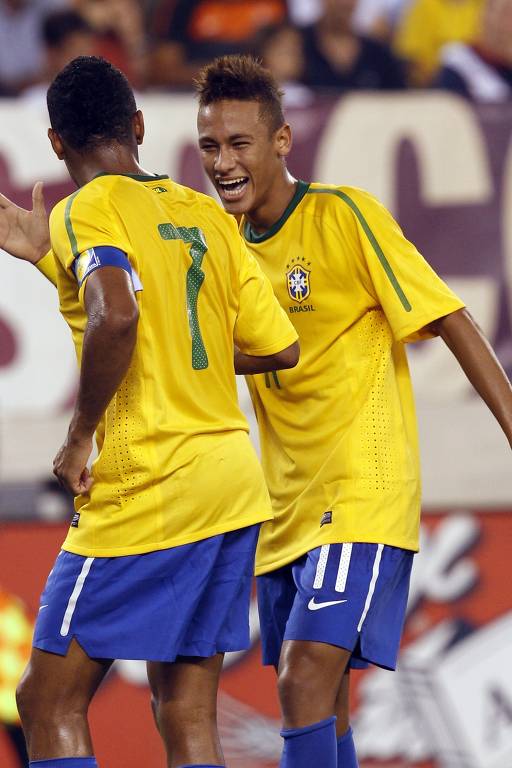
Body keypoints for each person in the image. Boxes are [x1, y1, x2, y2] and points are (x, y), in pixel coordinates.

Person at [193, 55, 512, 767]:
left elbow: (451, 318)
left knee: (304, 676)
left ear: (281, 141)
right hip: (281, 509)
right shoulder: (224, 251)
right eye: (210, 146)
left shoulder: (342, 216)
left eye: (240, 143)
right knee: (317, 699)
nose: (223, 163)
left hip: (360, 491)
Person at [0, 55, 299, 768]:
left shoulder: (88, 208)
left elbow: (117, 316)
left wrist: (77, 440)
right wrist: (49, 257)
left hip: (150, 484)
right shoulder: (206, 215)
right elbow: (278, 348)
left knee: (46, 700)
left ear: (54, 144)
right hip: (229, 484)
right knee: (186, 708)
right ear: (138, 127)